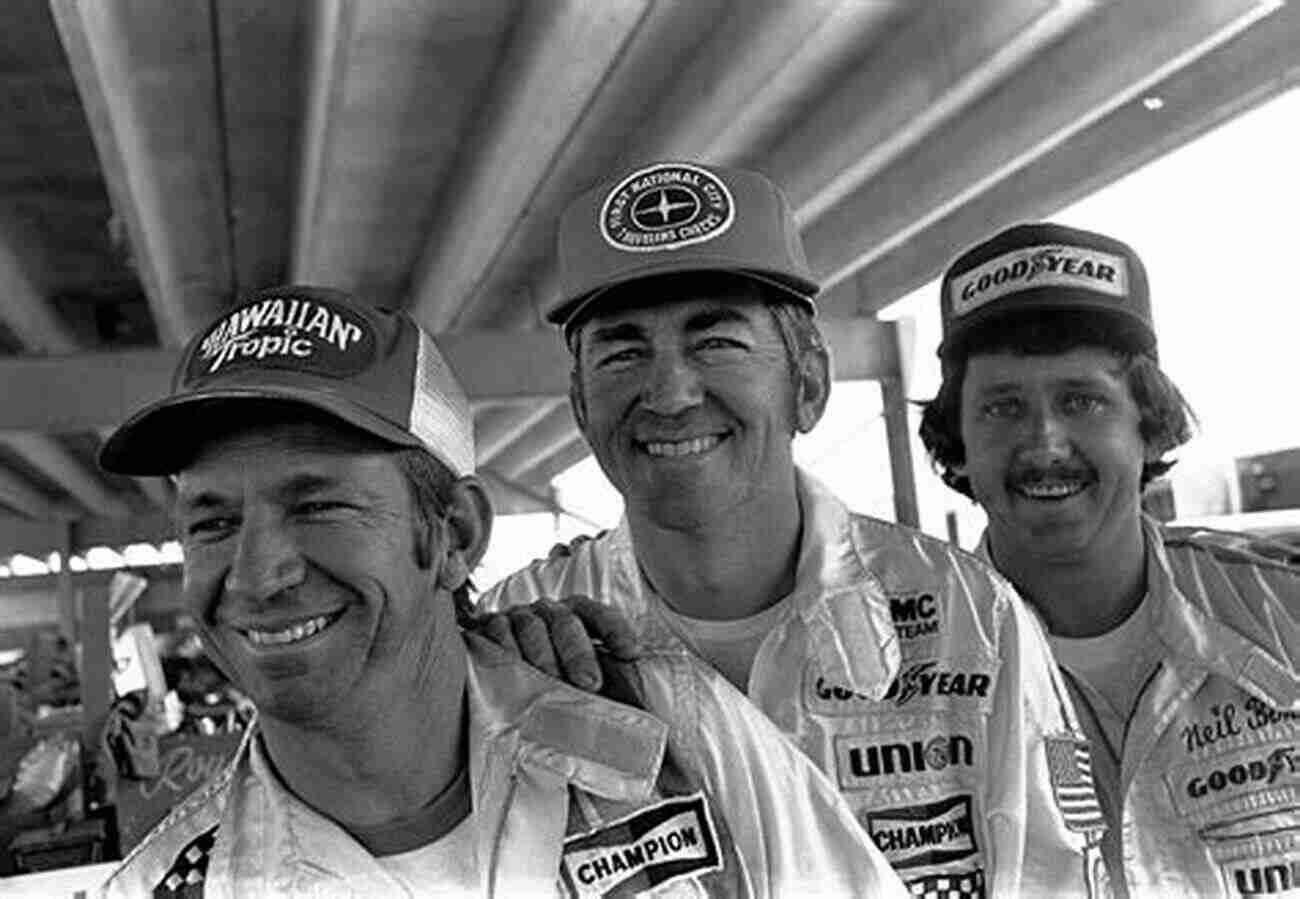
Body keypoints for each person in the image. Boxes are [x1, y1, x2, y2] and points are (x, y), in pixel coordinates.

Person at [94, 285, 905, 897]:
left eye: (319, 504)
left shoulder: (664, 734)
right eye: (211, 522)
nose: (257, 573)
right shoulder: (168, 886)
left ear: (453, 533)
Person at [479, 161, 1105, 897]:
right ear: (582, 406)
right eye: (622, 352)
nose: (670, 394)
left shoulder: (971, 616)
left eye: (716, 343)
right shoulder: (515, 646)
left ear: (807, 382)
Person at [918, 221, 1300, 897]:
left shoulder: (1285, 615)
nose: (1044, 442)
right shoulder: (891, 672)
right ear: (957, 443)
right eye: (1002, 407)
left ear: (1147, 422)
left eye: (1081, 401)